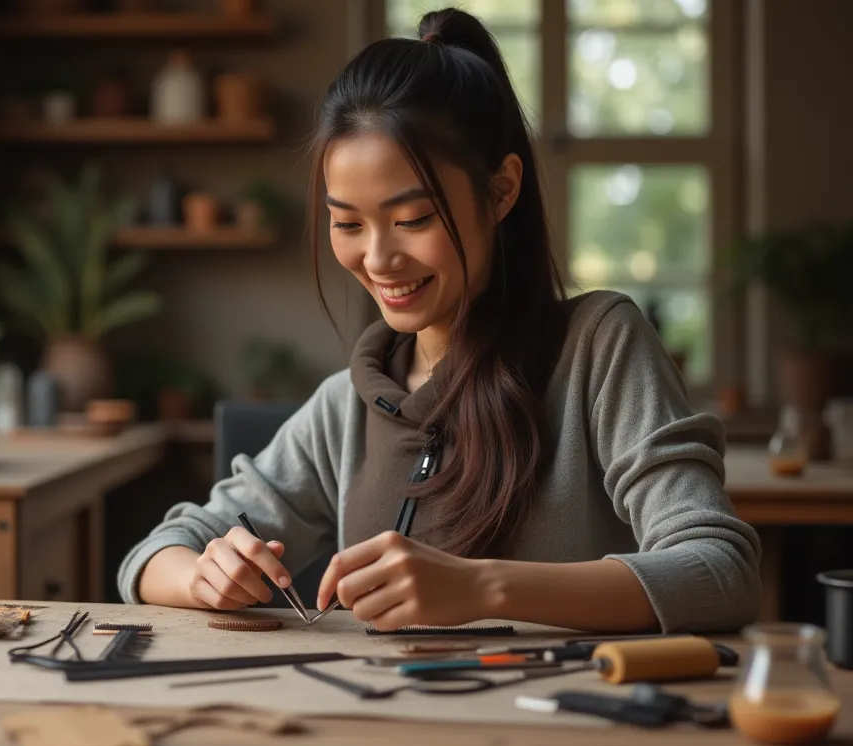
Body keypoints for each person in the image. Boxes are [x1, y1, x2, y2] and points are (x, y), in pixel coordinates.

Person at [116, 8, 761, 634]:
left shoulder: (600, 349)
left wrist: (482, 587)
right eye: (347, 223)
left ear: (502, 191)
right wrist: (204, 575)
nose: (377, 258)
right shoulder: (347, 406)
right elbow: (156, 554)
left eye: (412, 219)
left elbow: (720, 569)